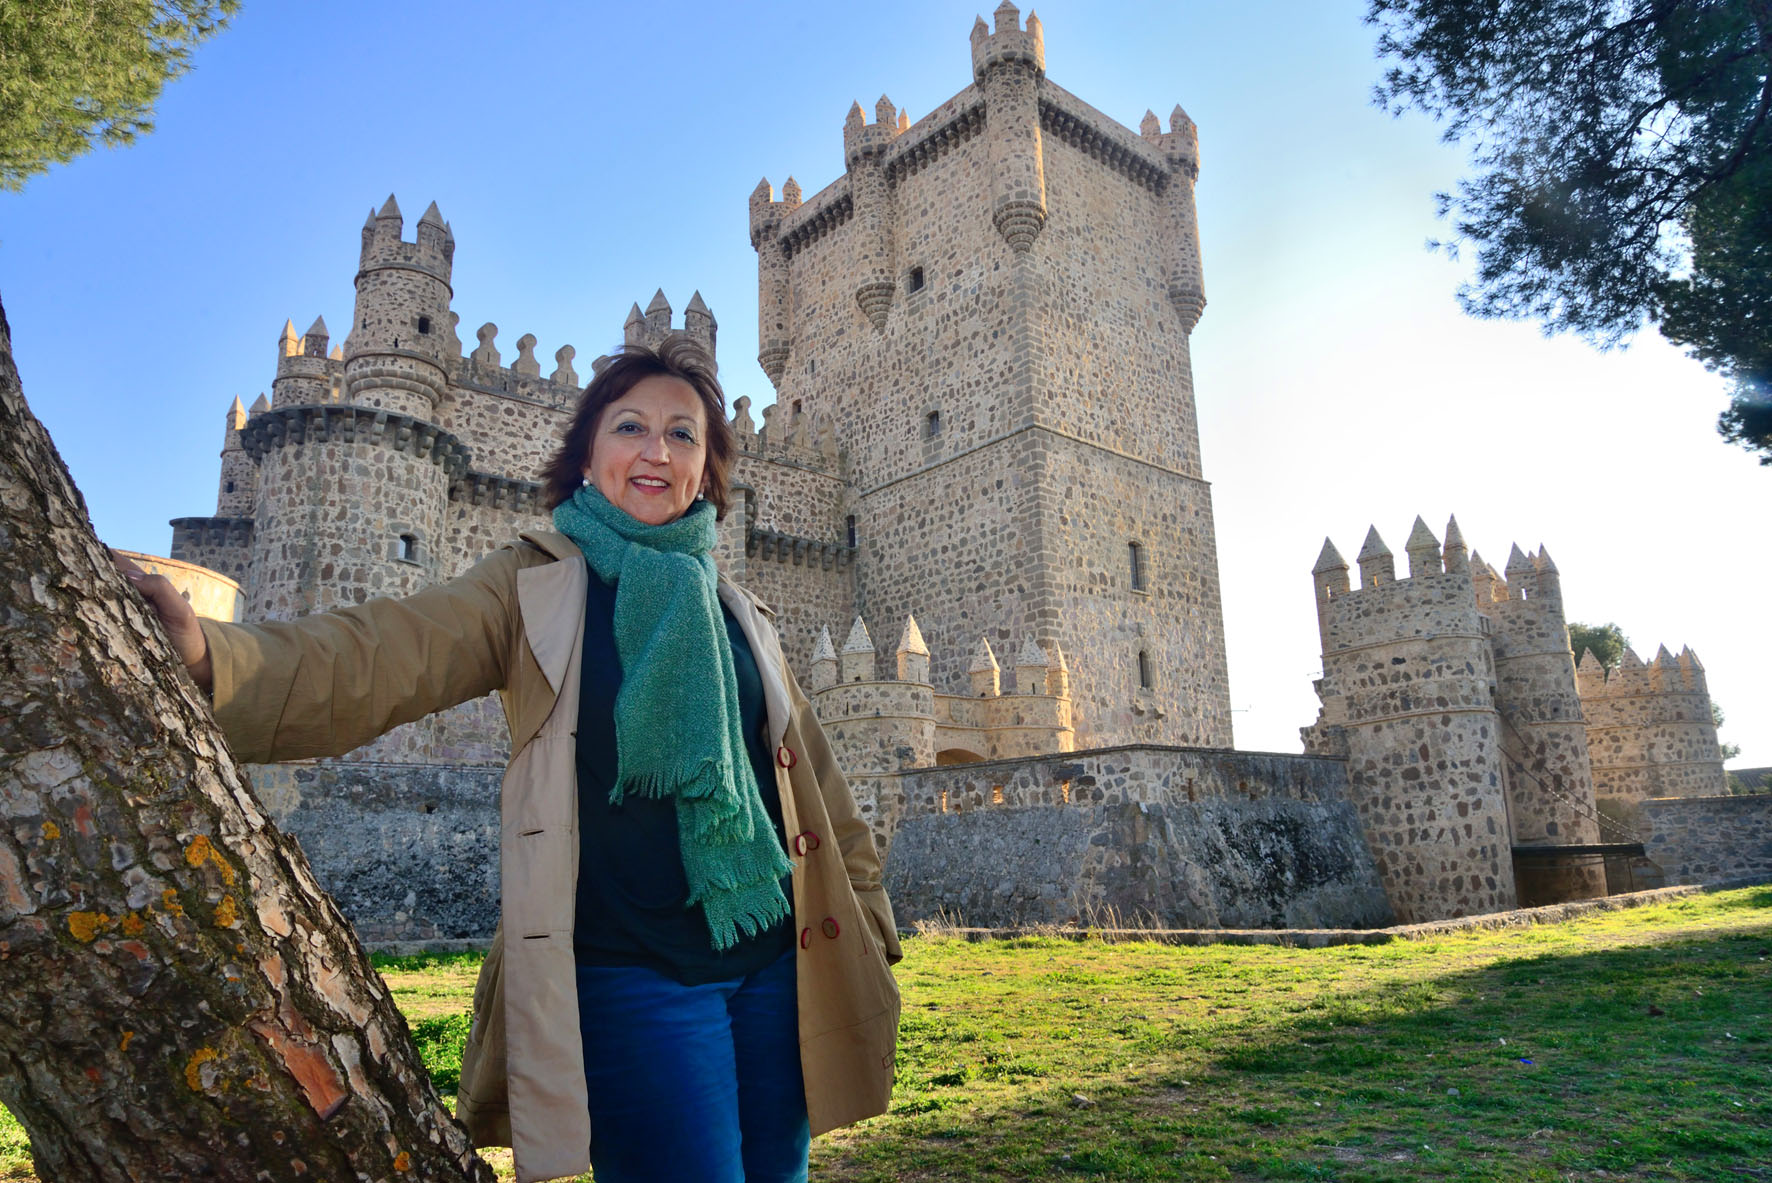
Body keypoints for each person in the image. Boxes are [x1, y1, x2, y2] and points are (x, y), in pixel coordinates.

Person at [118, 337, 901, 1183]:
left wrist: (869, 921)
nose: (656, 450)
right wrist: (214, 659)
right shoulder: (531, 582)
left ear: (707, 471)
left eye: (684, 435)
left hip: (775, 971)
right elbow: (382, 655)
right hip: (636, 980)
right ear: (586, 454)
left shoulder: (736, 610)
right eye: (631, 425)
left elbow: (811, 780)